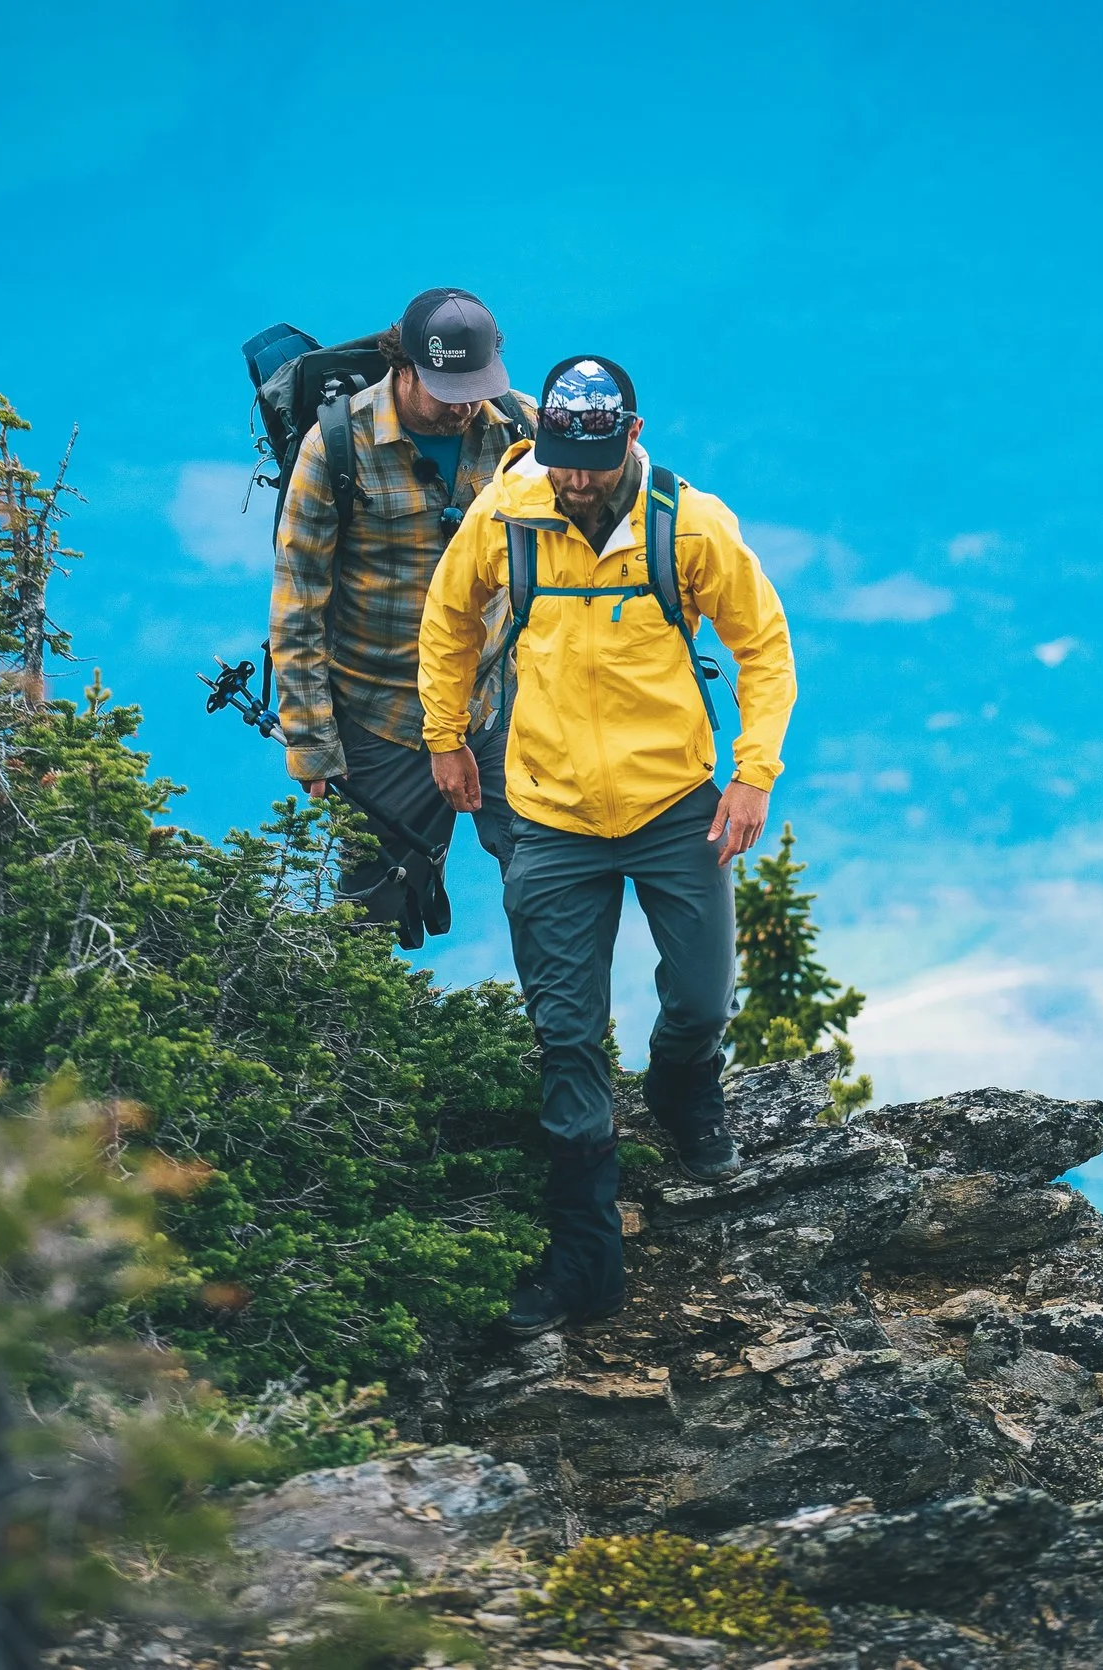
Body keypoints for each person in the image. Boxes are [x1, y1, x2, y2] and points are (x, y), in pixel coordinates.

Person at [418, 354, 798, 1336]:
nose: (574, 477)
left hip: (673, 800)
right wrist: (444, 735)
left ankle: (682, 1090)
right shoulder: (507, 514)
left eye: (590, 458)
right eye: (560, 458)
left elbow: (762, 644)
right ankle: (587, 1267)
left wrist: (752, 771)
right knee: (566, 1034)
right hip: (546, 809)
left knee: (704, 996)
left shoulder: (688, 525)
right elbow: (449, 620)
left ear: (630, 436)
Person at [270, 287, 532, 946]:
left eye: (476, 385)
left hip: (498, 702)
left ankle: (568, 1046)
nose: (465, 403)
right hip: (384, 715)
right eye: (448, 387)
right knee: (373, 913)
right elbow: (299, 603)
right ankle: (358, 1049)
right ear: (404, 366)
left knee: (552, 878)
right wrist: (312, 745)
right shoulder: (336, 447)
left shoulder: (522, 432)